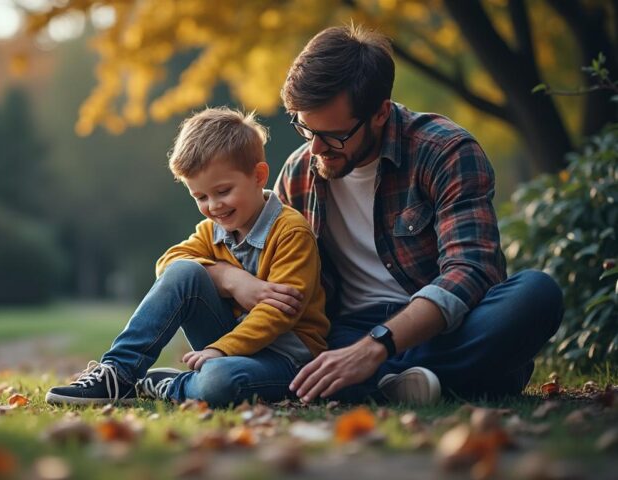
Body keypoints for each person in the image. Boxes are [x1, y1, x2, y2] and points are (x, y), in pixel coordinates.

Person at [210, 24, 564, 405]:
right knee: (319, 359)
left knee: (536, 295)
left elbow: (472, 270)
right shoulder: (299, 172)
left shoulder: (444, 150)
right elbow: (250, 260)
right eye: (305, 128)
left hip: (441, 325)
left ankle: (380, 379)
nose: (315, 148)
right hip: (346, 332)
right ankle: (441, 379)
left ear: (379, 113)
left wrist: (378, 347)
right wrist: (228, 277)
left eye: (333, 135)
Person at [45, 107, 330, 406]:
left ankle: (170, 385)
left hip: (287, 359)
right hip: (228, 346)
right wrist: (231, 279)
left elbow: (280, 313)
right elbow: (168, 265)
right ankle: (119, 371)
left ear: (258, 175)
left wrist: (220, 351)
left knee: (219, 381)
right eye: (201, 197)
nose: (214, 206)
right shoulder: (212, 230)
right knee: (185, 271)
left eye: (223, 191)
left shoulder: (291, 231)